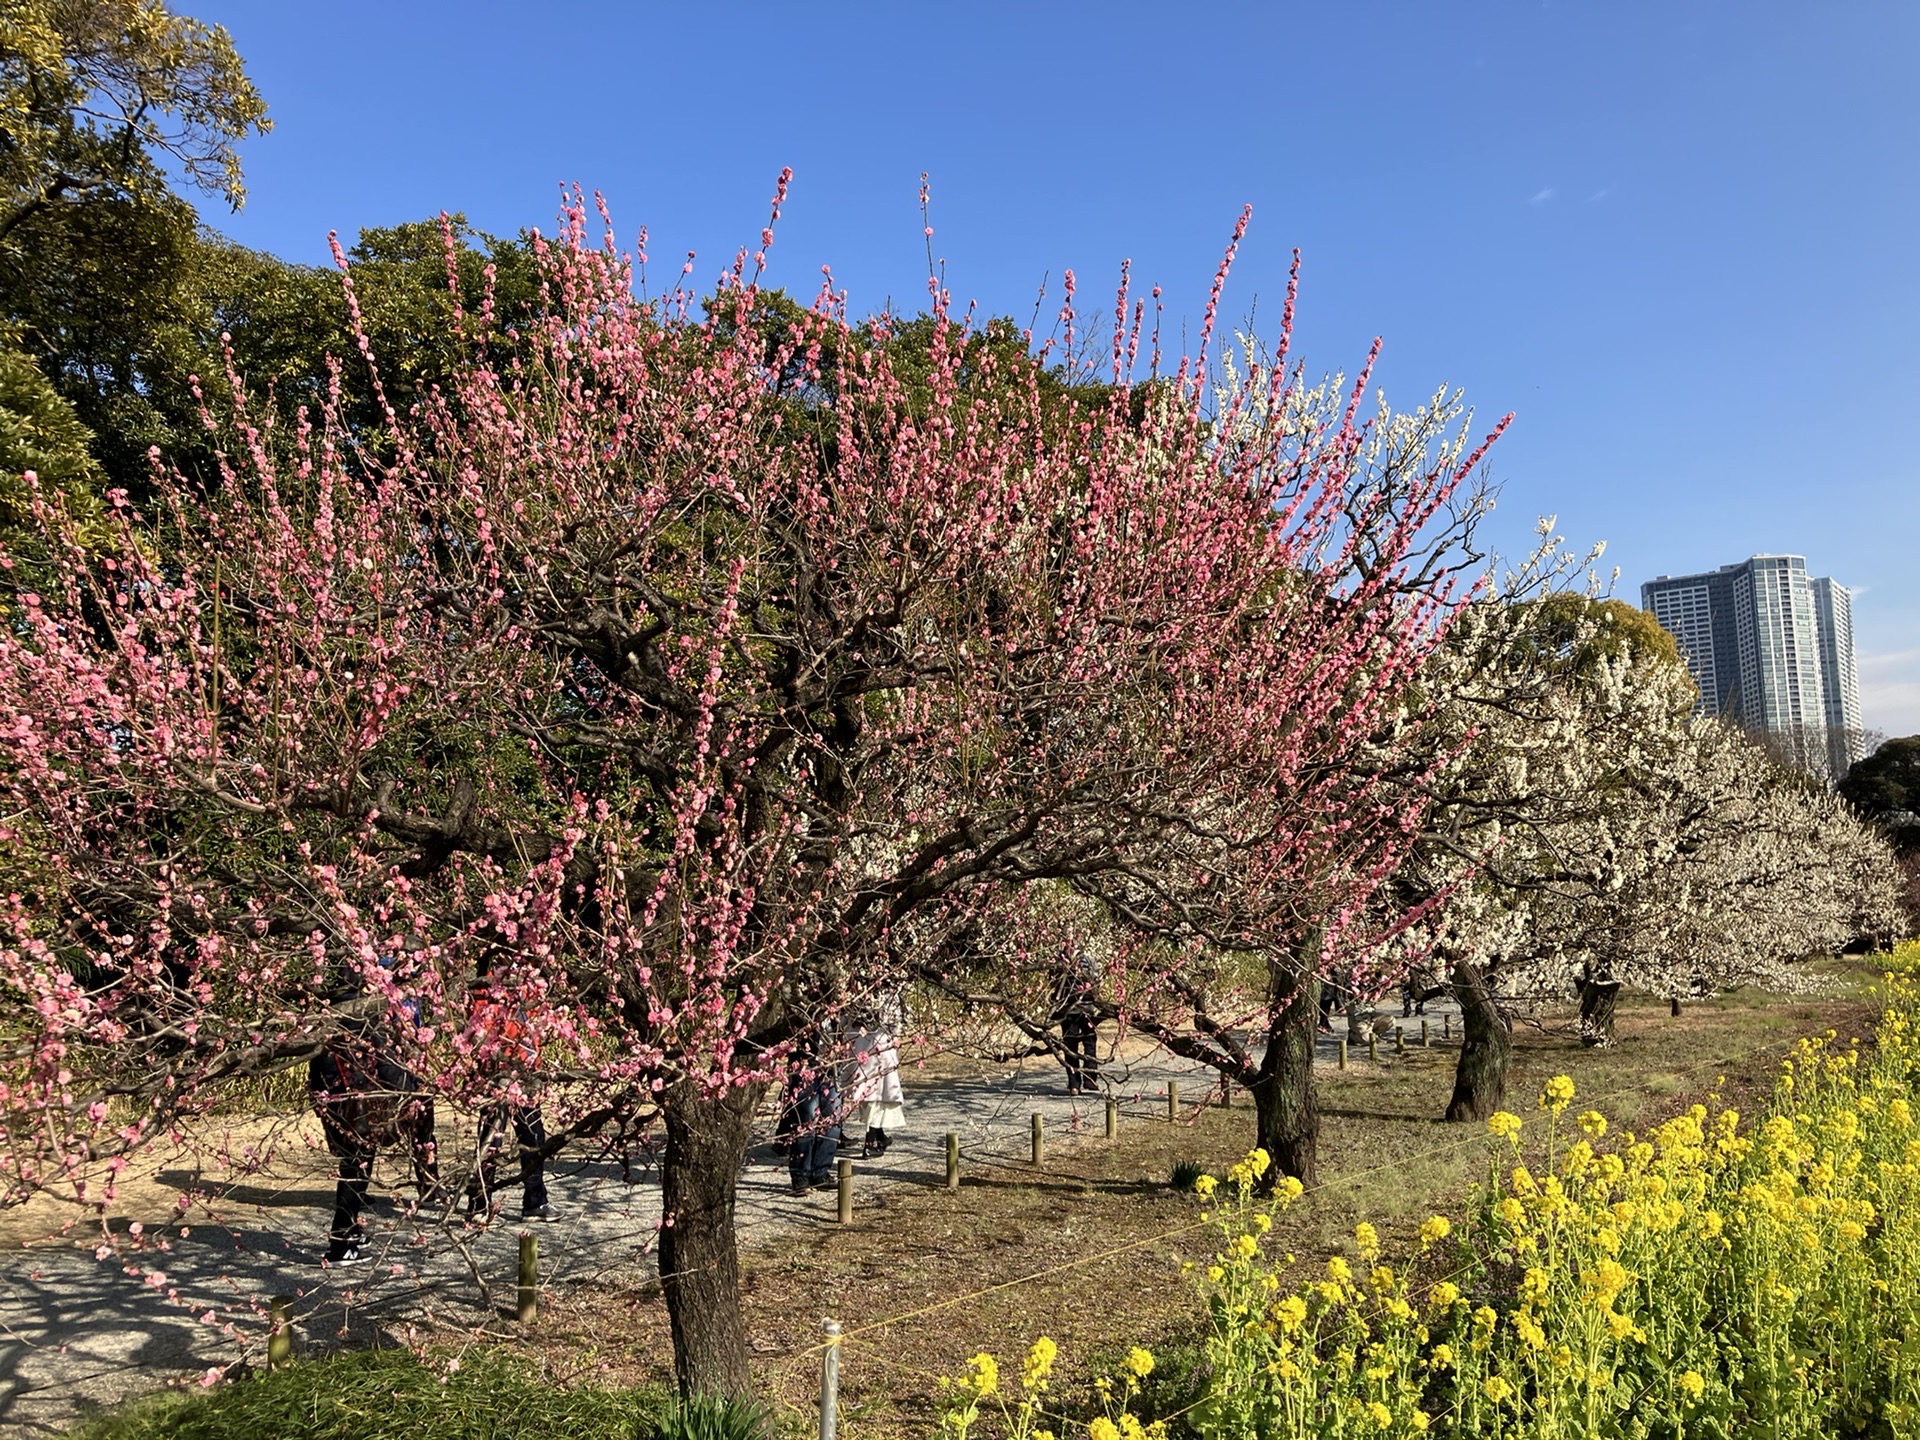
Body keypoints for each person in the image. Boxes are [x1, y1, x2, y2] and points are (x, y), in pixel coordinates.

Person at [308, 1019, 440, 1266]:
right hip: (361, 1110)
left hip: (337, 1110)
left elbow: (315, 1075)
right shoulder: (366, 1023)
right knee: (356, 1173)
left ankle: (349, 1231)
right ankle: (341, 1243)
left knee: (351, 1169)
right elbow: (389, 1069)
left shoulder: (325, 1025)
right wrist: (409, 1092)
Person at [464, 972, 556, 1223]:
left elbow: (537, 1027)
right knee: (491, 1138)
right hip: (497, 1072)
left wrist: (536, 1063)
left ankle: (535, 1201)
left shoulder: (532, 985)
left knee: (534, 1136)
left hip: (525, 1072)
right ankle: (479, 1204)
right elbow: (479, 1030)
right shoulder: (487, 988)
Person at [839, 993, 907, 1157]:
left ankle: (880, 1137)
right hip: (878, 1046)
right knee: (876, 1094)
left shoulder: (854, 989)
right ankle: (869, 1144)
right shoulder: (889, 993)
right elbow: (894, 1021)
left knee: (869, 1092)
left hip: (858, 1043)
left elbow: (843, 1019)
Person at [778, 1026, 841, 1195]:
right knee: (806, 1117)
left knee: (832, 1117)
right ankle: (801, 1175)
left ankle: (820, 1172)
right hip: (805, 1064)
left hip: (832, 1063)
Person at [1052, 950, 1102, 1095]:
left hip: (1068, 1008)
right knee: (1089, 1042)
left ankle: (1075, 1084)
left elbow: (1054, 981)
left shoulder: (1061, 957)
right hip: (1084, 1007)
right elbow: (1096, 980)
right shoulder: (1088, 956)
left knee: (1071, 1046)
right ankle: (1089, 1078)